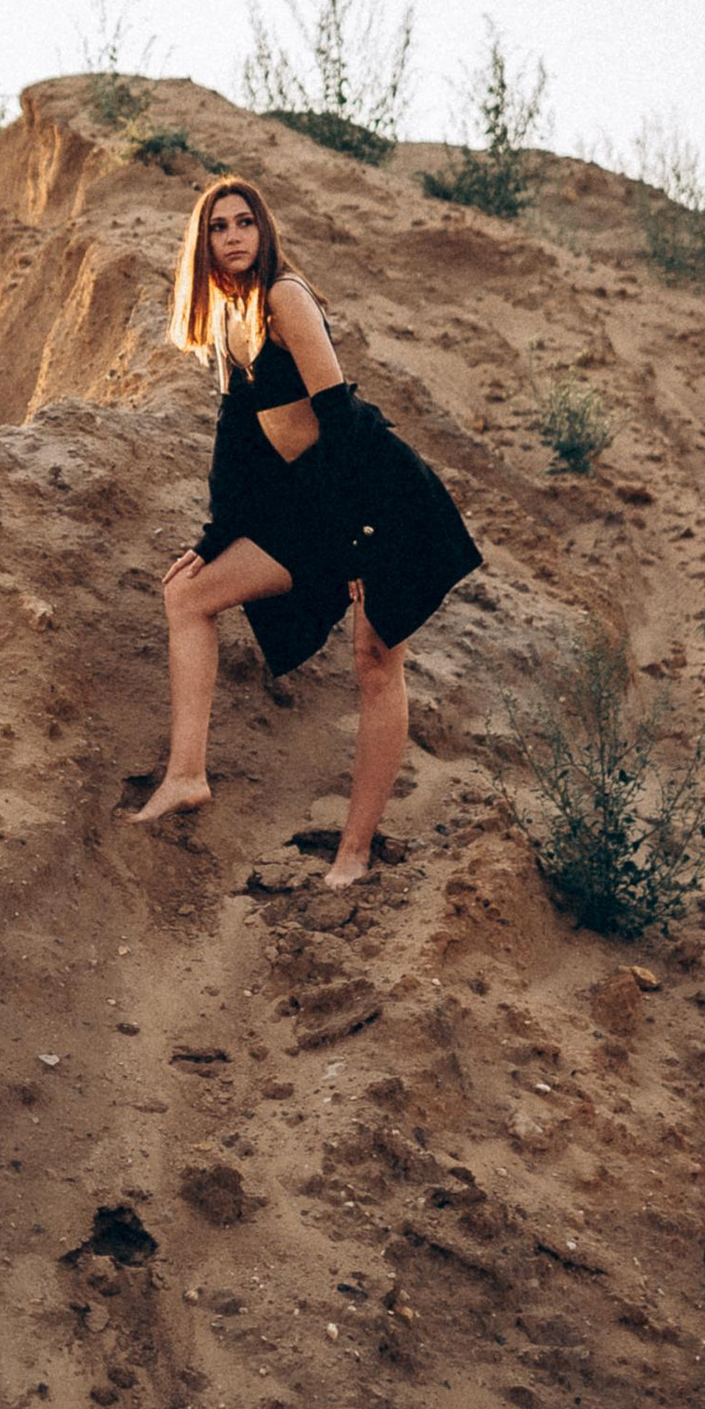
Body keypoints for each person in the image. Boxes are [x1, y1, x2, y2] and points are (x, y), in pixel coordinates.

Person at [133, 175, 482, 885]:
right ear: (202, 245)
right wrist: (212, 539)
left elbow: (342, 420)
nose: (232, 236)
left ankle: (353, 852)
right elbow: (236, 443)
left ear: (264, 233)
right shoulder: (230, 319)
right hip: (312, 507)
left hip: (376, 495)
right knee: (188, 595)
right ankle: (186, 774)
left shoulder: (285, 298)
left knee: (375, 659)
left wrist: (358, 542)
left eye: (243, 223)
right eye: (217, 227)